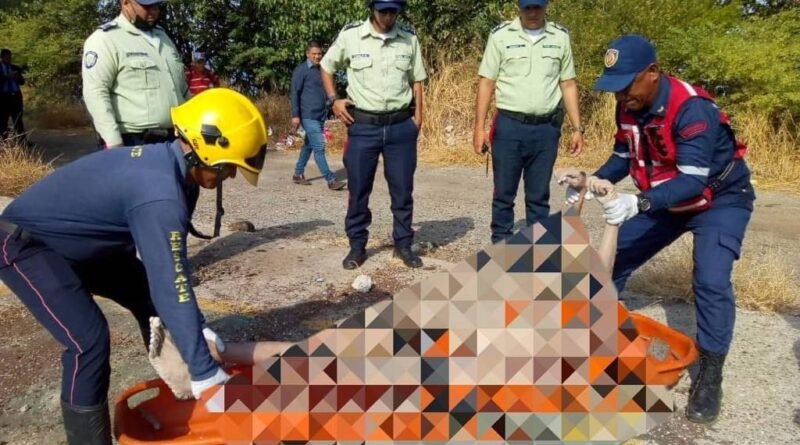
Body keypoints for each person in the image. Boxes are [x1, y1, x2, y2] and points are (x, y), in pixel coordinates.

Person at [0, 88, 270, 445]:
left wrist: (198, 331)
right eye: (229, 167)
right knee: (89, 341)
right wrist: (207, 371)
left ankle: (179, 381)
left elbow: (170, 273)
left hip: (87, 245)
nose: (231, 177)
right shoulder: (159, 192)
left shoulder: (177, 174)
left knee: (154, 304)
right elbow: (170, 282)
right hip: (27, 246)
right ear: (206, 149)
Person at [560, 34, 755, 424]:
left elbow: (692, 182)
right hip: (665, 200)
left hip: (719, 200)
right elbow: (622, 157)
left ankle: (711, 373)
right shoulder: (629, 106)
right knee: (610, 262)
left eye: (626, 86)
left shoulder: (692, 108)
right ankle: (594, 342)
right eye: (614, 88)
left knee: (711, 279)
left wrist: (637, 202)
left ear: (652, 73)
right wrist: (590, 178)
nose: (620, 97)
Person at [321, 0, 427, 270]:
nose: (389, 16)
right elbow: (327, 67)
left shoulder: (408, 39)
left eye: (393, 11)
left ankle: (403, 245)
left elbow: (418, 80)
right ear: (373, 9)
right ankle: (357, 246)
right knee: (358, 189)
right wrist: (334, 99)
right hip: (363, 126)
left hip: (401, 126)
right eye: (384, 11)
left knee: (403, 190)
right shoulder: (351, 35)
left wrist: (419, 119)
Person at [473, 0, 584, 244]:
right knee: (504, 194)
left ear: (547, 5)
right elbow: (486, 82)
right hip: (509, 127)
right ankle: (501, 249)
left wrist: (577, 128)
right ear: (518, 6)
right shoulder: (500, 36)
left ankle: (537, 255)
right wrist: (479, 128)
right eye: (527, 7)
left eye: (537, 7)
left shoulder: (560, 36)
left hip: (546, 129)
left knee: (539, 196)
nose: (532, 13)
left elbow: (567, 84)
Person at [81, 0, 190, 149]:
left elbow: (182, 90)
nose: (153, 11)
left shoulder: (164, 38)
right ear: (126, 3)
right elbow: (96, 93)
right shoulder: (105, 39)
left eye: (156, 5)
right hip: (133, 143)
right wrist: (113, 143)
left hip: (175, 140)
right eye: (147, 6)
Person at [290, 40, 346, 190]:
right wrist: (295, 115)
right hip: (307, 115)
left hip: (320, 115)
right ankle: (331, 180)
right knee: (319, 147)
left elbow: (329, 91)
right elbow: (294, 93)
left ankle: (298, 174)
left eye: (319, 53)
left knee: (309, 145)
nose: (317, 56)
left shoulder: (323, 70)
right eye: (314, 54)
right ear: (307, 54)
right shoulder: (301, 70)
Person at [0, 48, 26, 144]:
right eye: (6, 57)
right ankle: (3, 142)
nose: (8, 59)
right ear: (1, 57)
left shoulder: (15, 68)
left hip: (15, 97)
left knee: (18, 119)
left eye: (10, 57)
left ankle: (22, 141)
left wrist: (17, 77)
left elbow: (22, 82)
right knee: (3, 120)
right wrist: (6, 77)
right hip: (3, 98)